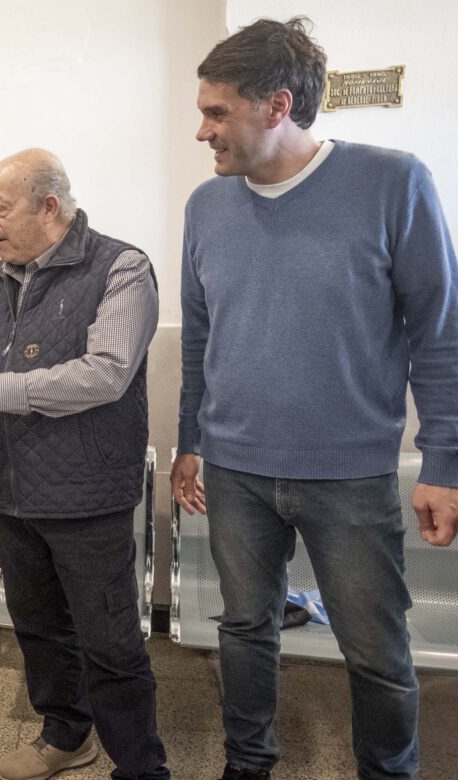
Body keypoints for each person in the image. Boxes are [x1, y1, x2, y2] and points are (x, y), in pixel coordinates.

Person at [170, 18, 458, 780]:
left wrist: (445, 462)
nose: (202, 130)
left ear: (278, 105)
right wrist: (188, 442)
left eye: (216, 112)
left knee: (376, 651)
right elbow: (200, 338)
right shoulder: (207, 208)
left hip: (351, 476)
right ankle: (248, 762)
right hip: (234, 470)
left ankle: (387, 772)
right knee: (243, 630)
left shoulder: (395, 183)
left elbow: (440, 334)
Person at [0, 149, 169, 780]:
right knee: (39, 630)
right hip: (14, 488)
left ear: (49, 207)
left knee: (110, 642)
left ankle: (141, 766)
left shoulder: (123, 267)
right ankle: (66, 736)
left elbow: (107, 374)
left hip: (90, 496)